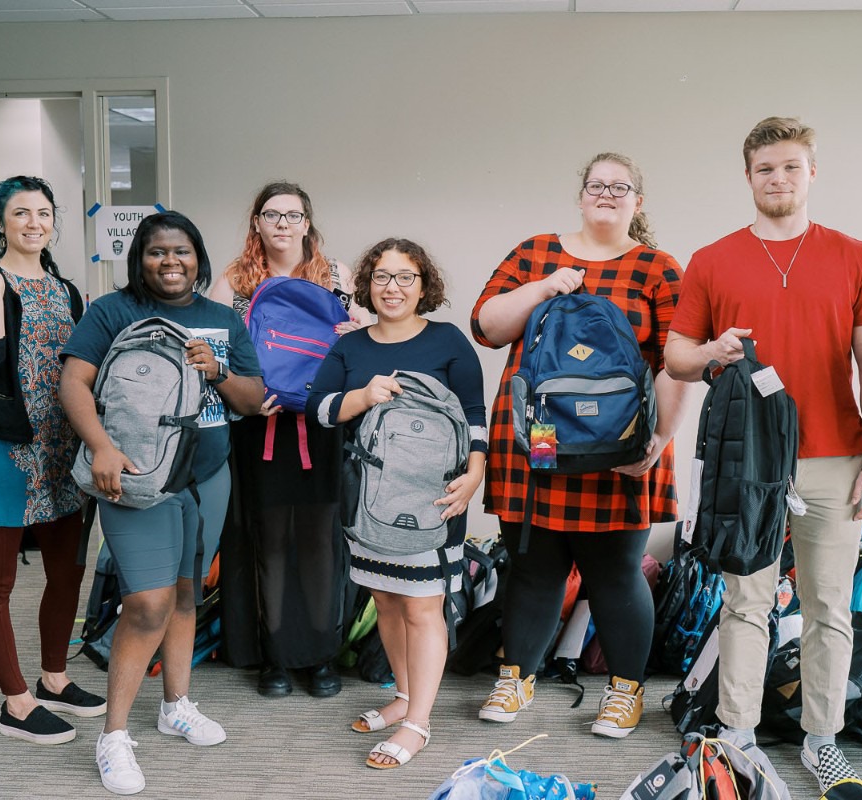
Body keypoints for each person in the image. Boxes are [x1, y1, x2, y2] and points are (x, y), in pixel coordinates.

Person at [663, 117, 862, 791]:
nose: (779, 178)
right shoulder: (712, 259)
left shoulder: (855, 256)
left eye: (792, 167)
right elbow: (676, 358)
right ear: (748, 177)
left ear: (811, 173)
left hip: (837, 458)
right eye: (766, 168)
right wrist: (710, 353)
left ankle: (820, 741)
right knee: (745, 604)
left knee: (829, 608)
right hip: (748, 462)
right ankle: (736, 737)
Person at [470, 152, 686, 739]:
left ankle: (624, 692)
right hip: (537, 440)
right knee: (533, 566)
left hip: (622, 444)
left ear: (638, 202)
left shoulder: (658, 269)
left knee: (616, 572)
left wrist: (661, 438)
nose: (608, 194)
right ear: (581, 194)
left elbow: (676, 362)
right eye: (598, 185)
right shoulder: (535, 253)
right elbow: (487, 326)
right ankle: (516, 677)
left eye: (622, 187)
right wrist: (543, 287)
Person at [60, 211, 263, 795]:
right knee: (146, 603)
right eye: (156, 253)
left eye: (181, 252)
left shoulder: (222, 318)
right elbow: (74, 382)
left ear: (198, 257)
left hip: (207, 475)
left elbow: (251, 400)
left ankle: (176, 706)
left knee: (185, 590)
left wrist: (216, 369)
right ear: (139, 259)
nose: (169, 262)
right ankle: (113, 737)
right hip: (135, 474)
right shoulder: (113, 311)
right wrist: (99, 445)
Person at [308, 238, 486, 769]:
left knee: (422, 606)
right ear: (367, 285)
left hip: (436, 498)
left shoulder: (449, 342)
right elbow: (318, 410)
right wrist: (363, 396)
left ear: (424, 286)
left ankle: (418, 724)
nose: (393, 287)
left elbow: (476, 416)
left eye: (406, 277)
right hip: (371, 500)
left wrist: (476, 473)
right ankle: (406, 696)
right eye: (383, 277)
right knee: (385, 598)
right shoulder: (351, 348)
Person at [0, 175, 105, 745]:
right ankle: (16, 704)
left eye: (43, 213)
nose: (34, 223)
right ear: (0, 223)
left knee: (66, 572)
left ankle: (54, 679)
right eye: (20, 213)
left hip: (61, 448)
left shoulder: (68, 290)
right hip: (2, 448)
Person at [210, 181, 366, 698]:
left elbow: (364, 344)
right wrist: (247, 395)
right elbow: (218, 356)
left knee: (320, 543)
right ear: (256, 222)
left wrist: (358, 330)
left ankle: (321, 657)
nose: (282, 224)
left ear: (307, 223)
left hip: (322, 425)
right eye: (272, 214)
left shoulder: (337, 276)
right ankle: (274, 657)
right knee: (270, 543)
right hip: (260, 427)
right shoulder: (232, 282)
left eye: (293, 215)